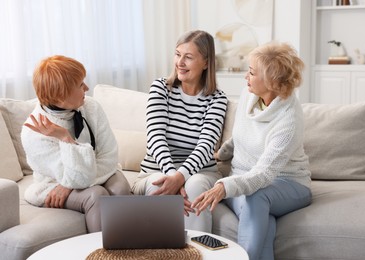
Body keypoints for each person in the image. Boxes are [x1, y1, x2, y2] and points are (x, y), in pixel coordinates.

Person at [192, 42, 312, 260]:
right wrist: (222, 153)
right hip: (245, 179)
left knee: (255, 197)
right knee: (264, 219)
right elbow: (241, 134)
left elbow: (264, 175)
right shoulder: (249, 94)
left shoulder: (289, 121)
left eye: (251, 72)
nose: (245, 77)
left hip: (289, 183)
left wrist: (223, 186)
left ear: (272, 82)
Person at [21, 55, 131, 233]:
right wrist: (66, 138)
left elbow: (109, 156)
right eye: (80, 85)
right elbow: (79, 178)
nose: (87, 88)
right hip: (52, 184)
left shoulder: (91, 107)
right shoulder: (34, 132)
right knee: (96, 195)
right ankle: (101, 254)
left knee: (120, 188)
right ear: (60, 95)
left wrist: (68, 185)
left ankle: (133, 247)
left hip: (85, 175)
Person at [132, 30, 228, 233]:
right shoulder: (160, 88)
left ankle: (197, 252)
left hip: (201, 173)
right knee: (159, 186)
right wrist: (171, 178)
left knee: (195, 184)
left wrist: (180, 178)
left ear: (206, 63)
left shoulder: (217, 99)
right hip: (156, 171)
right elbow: (155, 137)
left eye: (189, 57)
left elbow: (206, 146)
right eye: (177, 54)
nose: (180, 62)